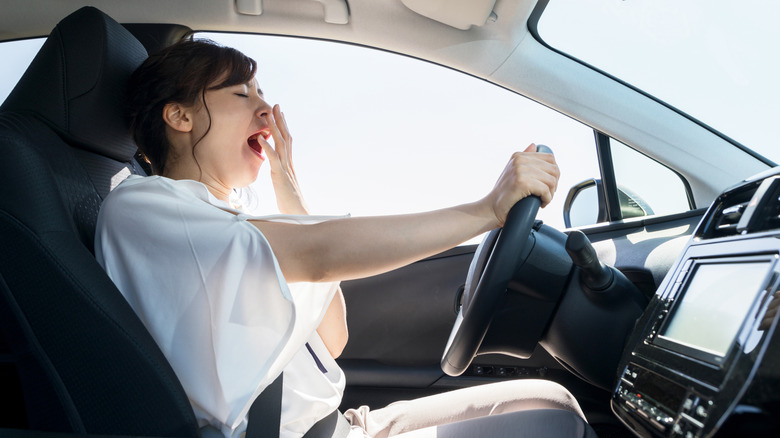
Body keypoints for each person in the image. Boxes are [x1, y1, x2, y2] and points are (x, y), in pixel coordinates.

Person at [95, 39, 585, 438]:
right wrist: (486, 210)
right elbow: (319, 254)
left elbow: (333, 338)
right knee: (555, 427)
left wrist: (289, 190)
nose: (267, 110)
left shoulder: (223, 223)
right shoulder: (145, 207)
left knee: (549, 400)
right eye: (242, 95)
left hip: (340, 426)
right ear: (179, 117)